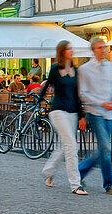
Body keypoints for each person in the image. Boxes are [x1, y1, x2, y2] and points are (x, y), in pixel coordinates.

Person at [36, 41, 86, 195]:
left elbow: (77, 95)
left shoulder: (76, 71)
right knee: (71, 145)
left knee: (64, 146)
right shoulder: (55, 68)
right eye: (69, 49)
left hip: (72, 112)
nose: (72, 51)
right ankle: (75, 184)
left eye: (72, 49)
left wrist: (81, 116)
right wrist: (38, 102)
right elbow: (46, 86)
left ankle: (48, 171)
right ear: (62, 51)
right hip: (58, 111)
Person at [77, 37, 112, 195]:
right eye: (99, 47)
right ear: (93, 50)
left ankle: (79, 172)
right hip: (95, 112)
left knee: (103, 149)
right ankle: (109, 184)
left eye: (104, 47)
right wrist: (100, 103)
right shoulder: (85, 69)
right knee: (105, 148)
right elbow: (83, 93)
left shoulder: (111, 67)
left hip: (110, 113)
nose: (103, 50)